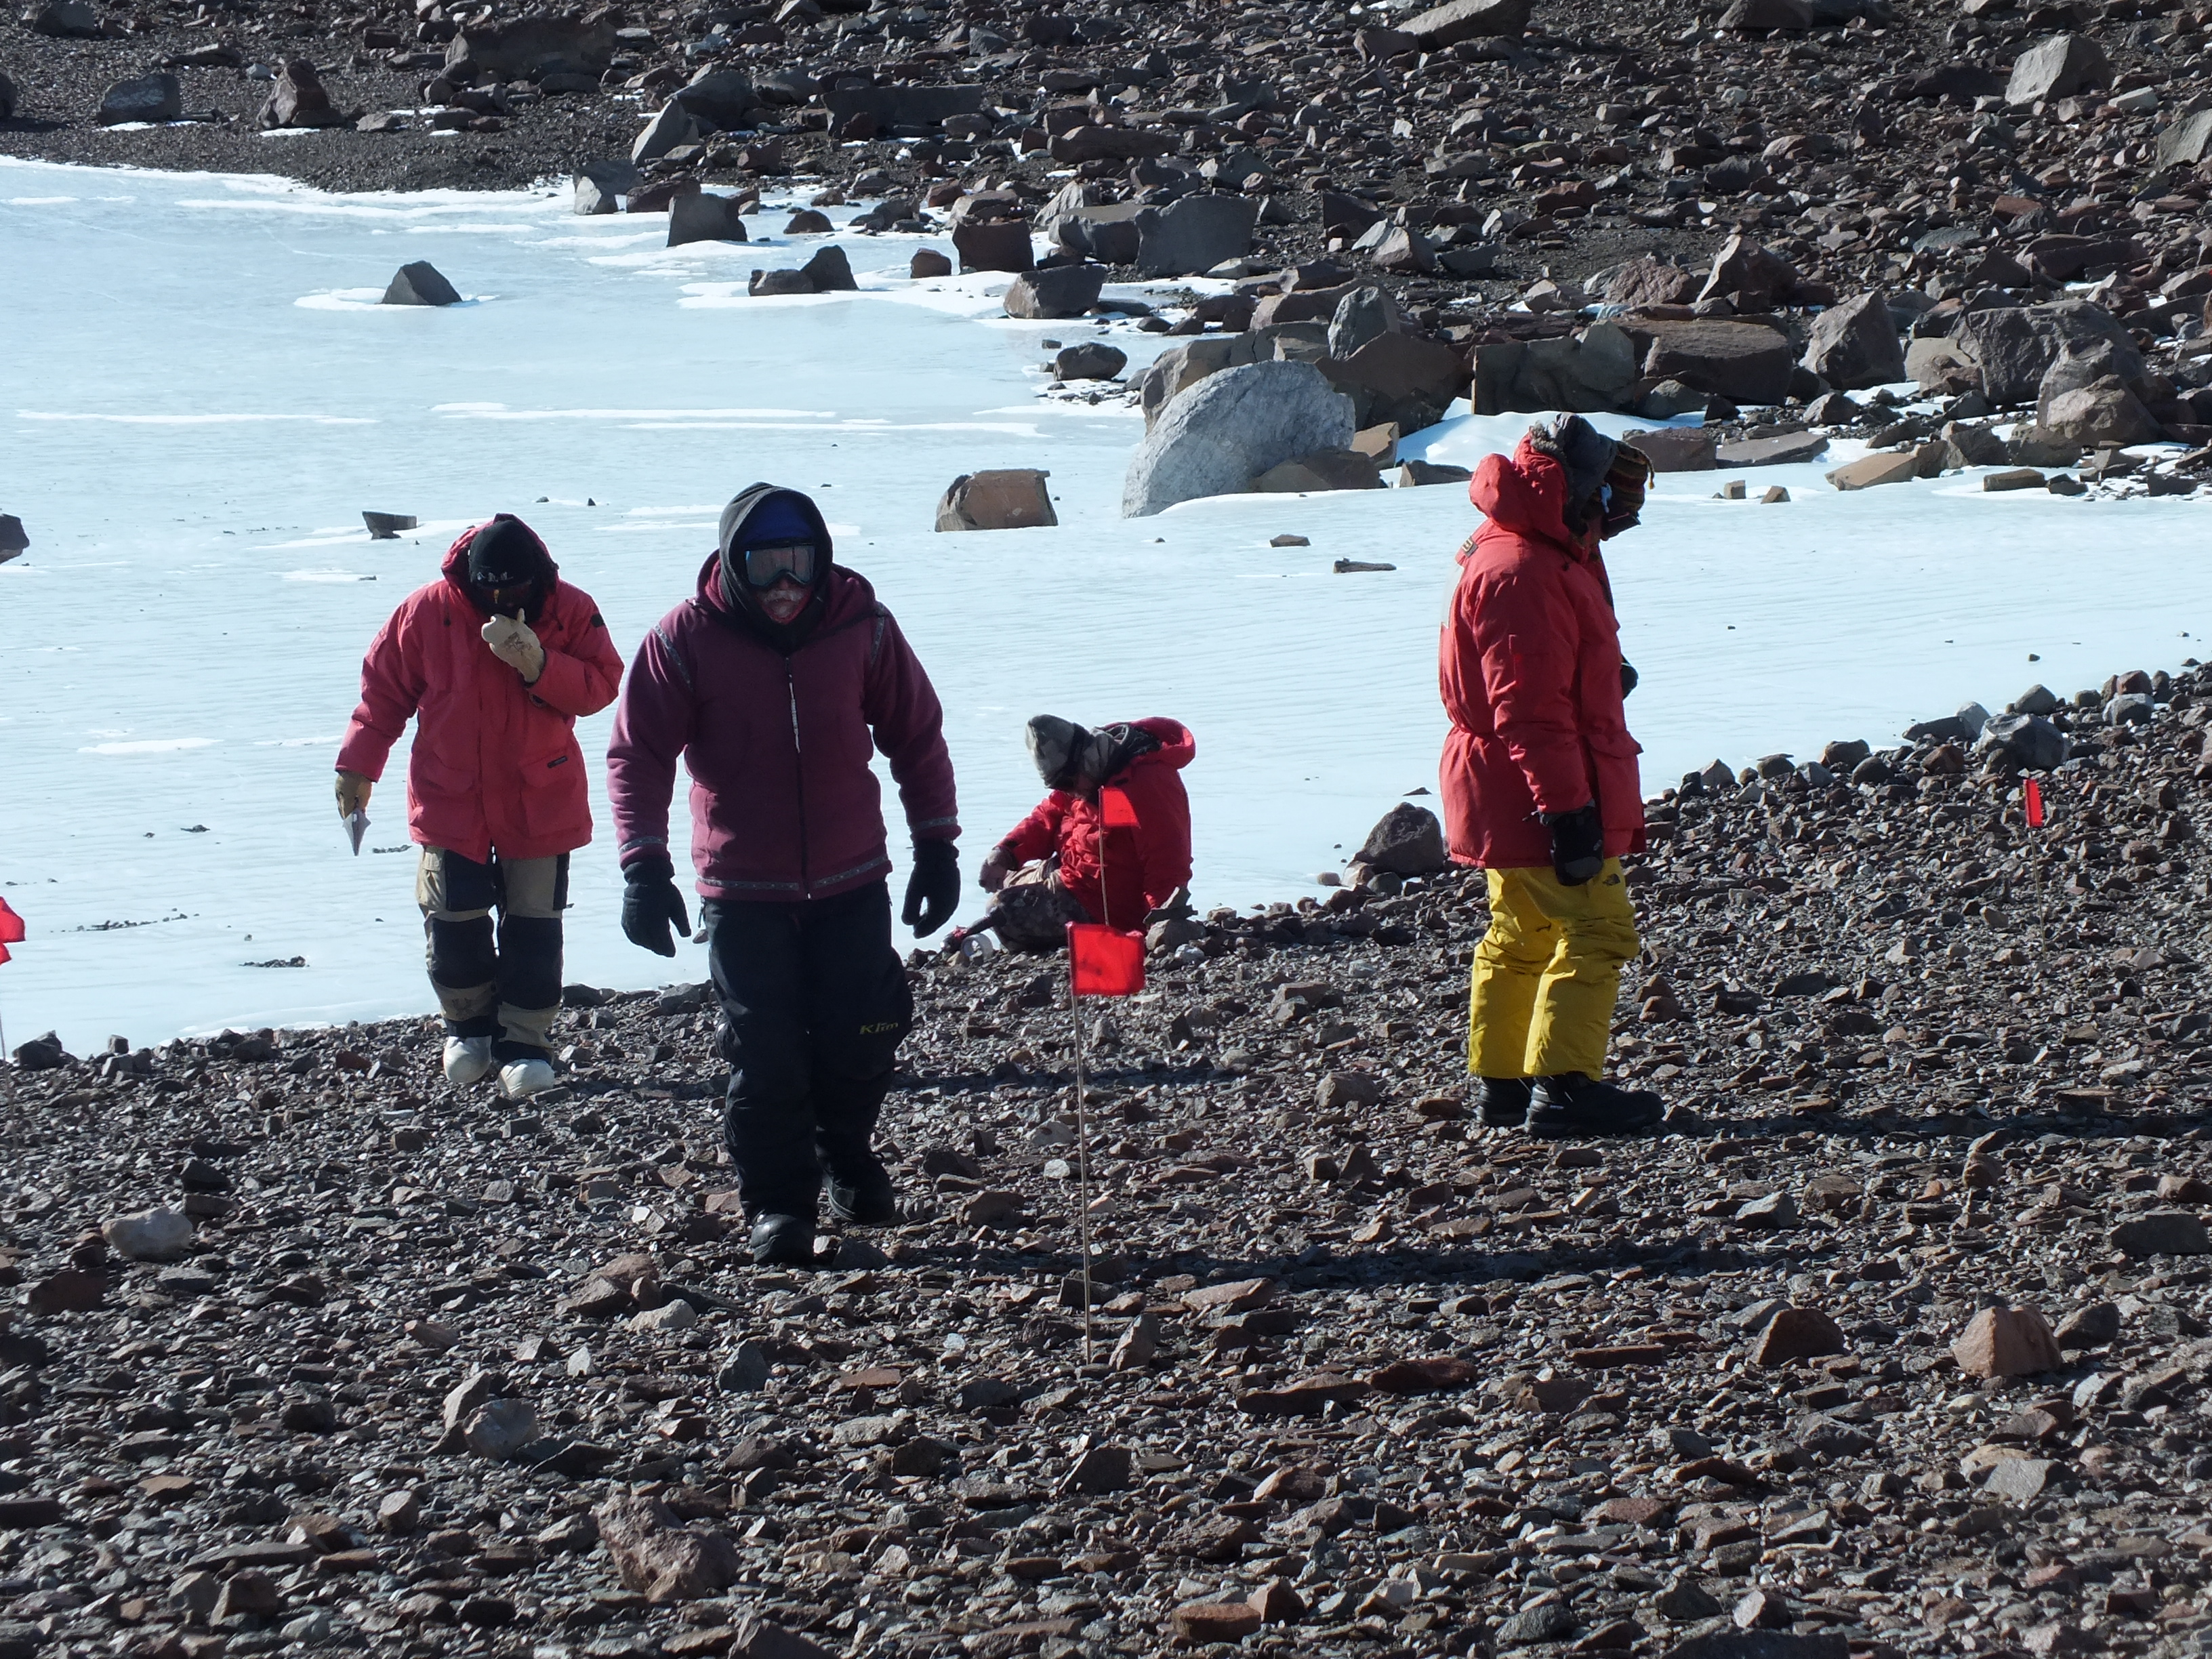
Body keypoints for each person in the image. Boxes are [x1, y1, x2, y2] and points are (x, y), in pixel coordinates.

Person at [606, 484, 960, 1267]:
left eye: (798, 561)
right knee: (765, 1056)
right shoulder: (684, 639)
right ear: (736, 562)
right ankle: (779, 1205)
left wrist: (938, 845)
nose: (784, 584)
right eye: (764, 564)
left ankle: (845, 1155)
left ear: (821, 557)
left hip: (853, 878)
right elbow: (638, 756)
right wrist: (642, 864)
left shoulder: (862, 627)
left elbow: (918, 735)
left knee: (862, 1035)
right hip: (743, 890)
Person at [336, 514, 624, 1099]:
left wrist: (538, 664)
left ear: (536, 581)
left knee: (534, 926)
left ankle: (526, 1045)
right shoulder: (427, 611)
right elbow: (382, 696)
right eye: (489, 589)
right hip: (450, 796)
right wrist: (357, 768)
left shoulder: (569, 607)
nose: (500, 600)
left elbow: (601, 686)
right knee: (454, 920)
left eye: (513, 590)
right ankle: (469, 1030)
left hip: (539, 798)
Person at [1439, 415, 1664, 1138]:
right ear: (1568, 489)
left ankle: (1504, 1088)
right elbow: (1529, 714)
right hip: (1532, 784)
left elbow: (1534, 681)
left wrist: (1600, 675)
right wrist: (1567, 812)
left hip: (1500, 786)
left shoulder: (1526, 549)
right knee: (1597, 930)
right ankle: (1565, 1090)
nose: (1611, 508)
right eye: (1601, 491)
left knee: (1522, 931)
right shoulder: (1523, 569)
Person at [977, 717, 1195, 949]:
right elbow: (1048, 814)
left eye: (1067, 782)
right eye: (1059, 786)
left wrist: (1159, 923)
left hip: (1106, 906)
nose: (1068, 791)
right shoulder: (1085, 774)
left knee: (1002, 911)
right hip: (1075, 874)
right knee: (1006, 879)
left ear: (1084, 756)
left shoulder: (1145, 784)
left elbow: (1167, 862)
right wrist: (1006, 852)